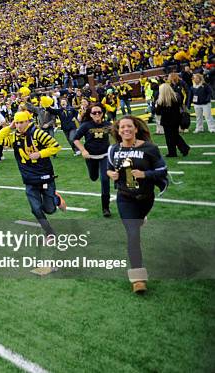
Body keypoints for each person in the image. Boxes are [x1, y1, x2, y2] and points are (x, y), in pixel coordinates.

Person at [106, 116, 168, 294]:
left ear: (135, 129)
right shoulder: (113, 149)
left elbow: (162, 170)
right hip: (125, 198)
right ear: (118, 131)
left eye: (129, 126)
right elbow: (109, 168)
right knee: (133, 234)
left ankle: (141, 218)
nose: (125, 129)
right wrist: (111, 174)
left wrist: (144, 174)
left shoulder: (149, 148)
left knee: (137, 223)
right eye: (122, 127)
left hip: (146, 197)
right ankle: (138, 278)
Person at [0, 111, 66, 238]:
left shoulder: (38, 133)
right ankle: (49, 233)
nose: (19, 125)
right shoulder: (14, 137)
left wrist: (40, 154)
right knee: (36, 209)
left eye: (21, 122)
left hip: (44, 176)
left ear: (28, 121)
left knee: (50, 210)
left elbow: (56, 146)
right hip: (29, 178)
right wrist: (9, 128)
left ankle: (56, 199)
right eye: (17, 122)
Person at [73, 103, 113, 217]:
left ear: (102, 113)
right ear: (90, 114)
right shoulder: (86, 125)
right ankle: (93, 174)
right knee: (94, 177)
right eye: (94, 112)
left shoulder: (107, 124)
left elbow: (117, 135)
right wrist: (83, 150)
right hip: (91, 157)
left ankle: (105, 208)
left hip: (105, 155)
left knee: (105, 180)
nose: (96, 114)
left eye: (99, 112)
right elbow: (75, 139)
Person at [154, 83, 190, 157]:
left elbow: (157, 112)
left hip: (167, 121)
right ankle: (181, 149)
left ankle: (176, 151)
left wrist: (156, 105)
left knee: (170, 137)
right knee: (175, 135)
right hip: (176, 119)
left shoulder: (161, 100)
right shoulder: (176, 97)